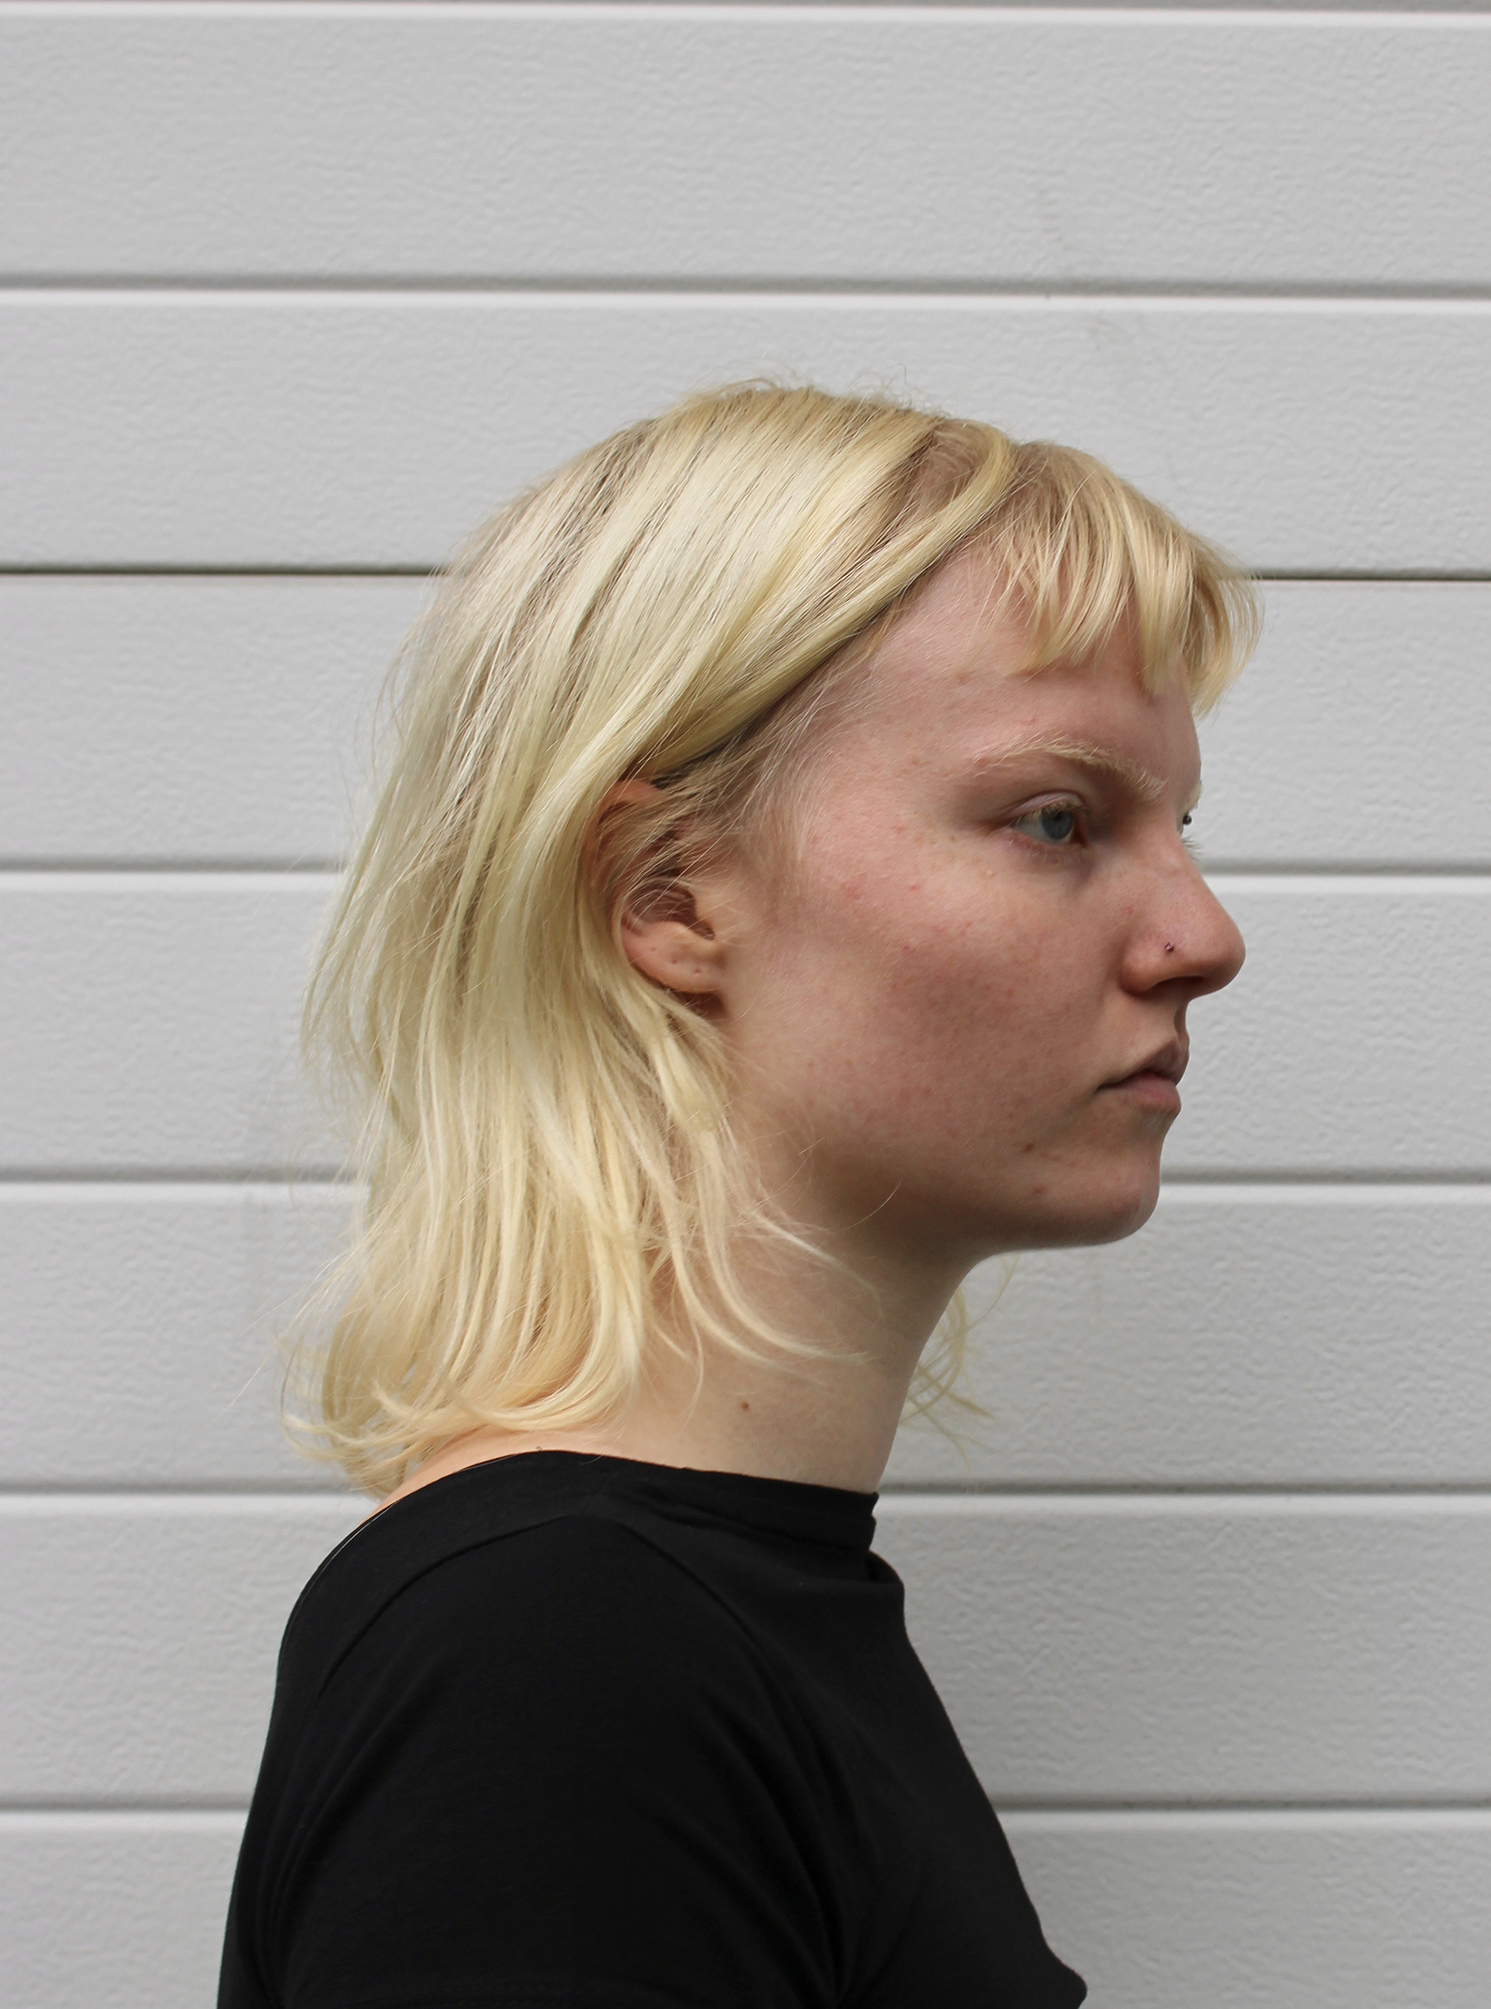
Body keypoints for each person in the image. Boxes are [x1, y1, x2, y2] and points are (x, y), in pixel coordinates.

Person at [219, 383, 1254, 2008]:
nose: (1204, 934)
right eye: (1057, 819)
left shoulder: (698, 1620)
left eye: (1177, 825)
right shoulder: (558, 1661)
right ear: (671, 898)